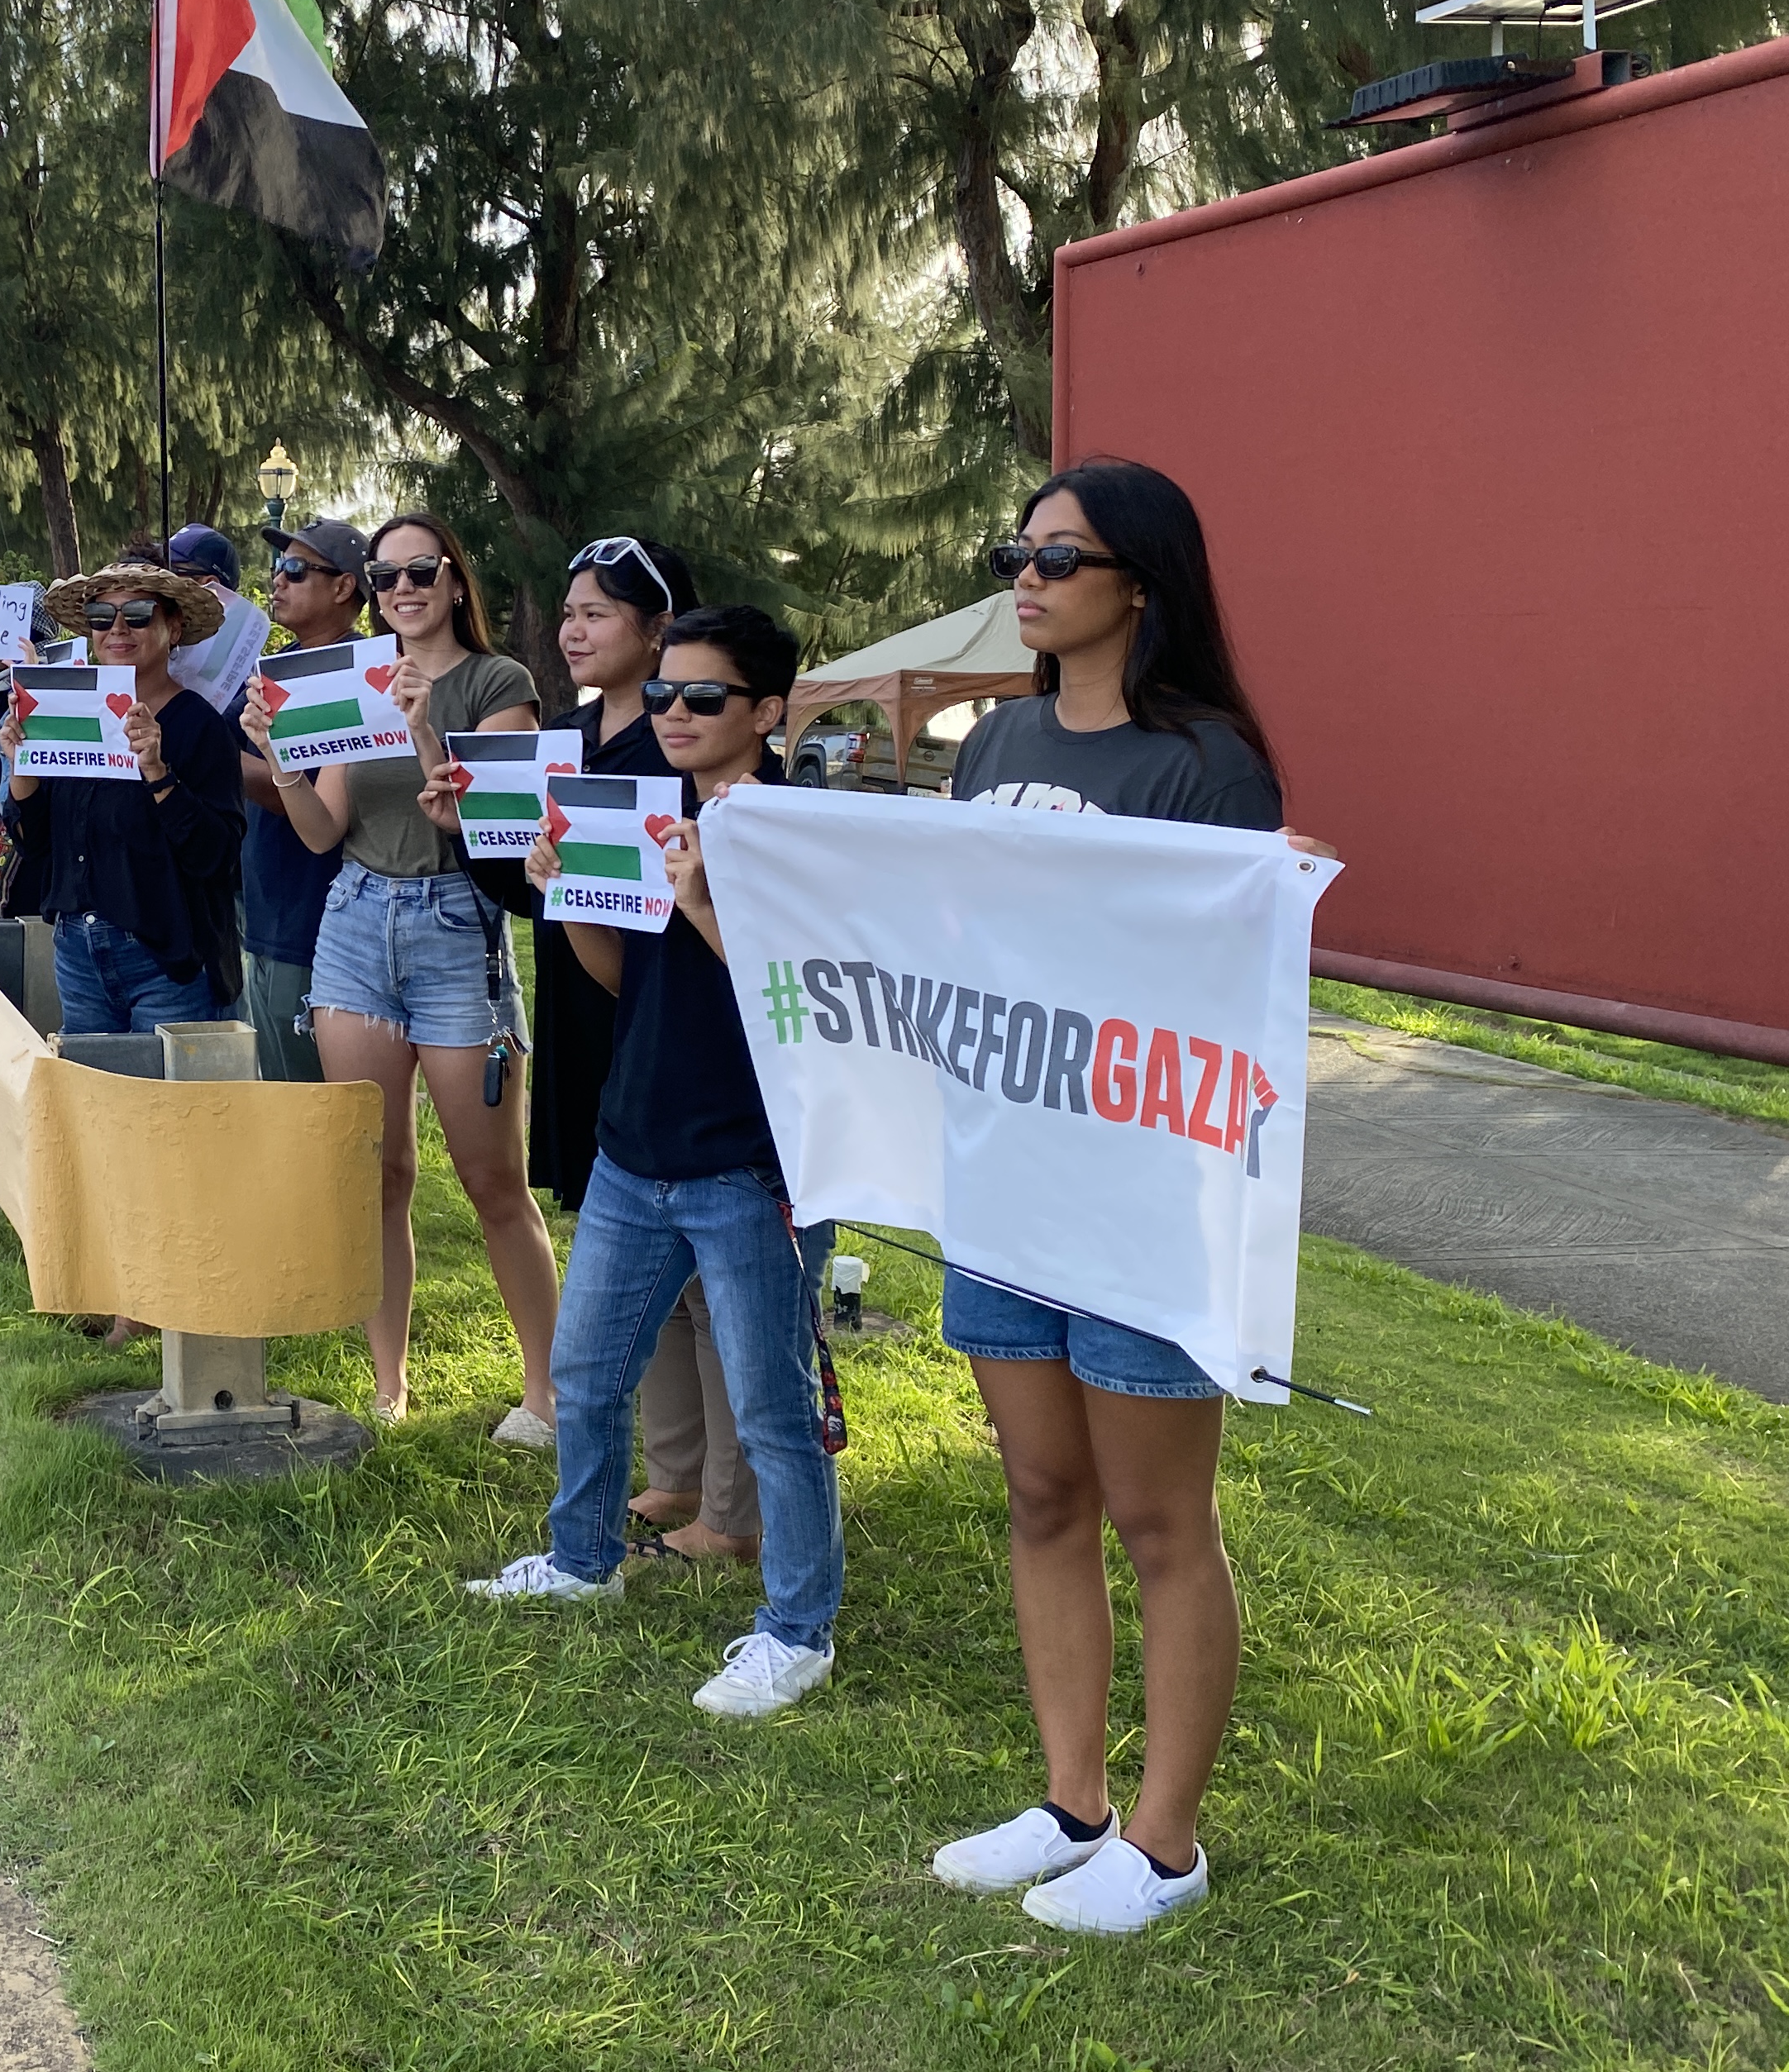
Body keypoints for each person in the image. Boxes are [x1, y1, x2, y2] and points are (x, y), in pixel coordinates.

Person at [926, 459, 1333, 1936]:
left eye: (1058, 556)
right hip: (1003, 1172)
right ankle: (1068, 1799)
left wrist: (1261, 901)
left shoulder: (1206, 758)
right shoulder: (992, 741)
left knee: (1162, 1520)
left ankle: (1164, 1840)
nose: (1024, 578)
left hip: (1140, 1189)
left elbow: (1215, 982)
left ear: (1139, 584)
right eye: (1015, 551)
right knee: (1041, 1493)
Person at [472, 604, 849, 1727]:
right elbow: (620, 978)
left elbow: (814, 1005)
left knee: (778, 1414)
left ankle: (798, 1632)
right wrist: (562, 893)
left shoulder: (805, 831)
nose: (673, 713)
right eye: (667, 694)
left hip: (751, 1167)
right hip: (636, 1148)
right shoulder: (645, 806)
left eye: (704, 698)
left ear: (769, 712)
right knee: (587, 1377)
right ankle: (582, 1559)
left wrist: (704, 902)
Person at [456, 537, 758, 1562]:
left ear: (659, 629)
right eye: (569, 613)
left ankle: (733, 1501)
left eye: (598, 614)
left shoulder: (682, 757)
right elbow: (529, 895)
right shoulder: (563, 740)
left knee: (711, 1278)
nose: (573, 631)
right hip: (589, 1025)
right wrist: (475, 831)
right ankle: (675, 1472)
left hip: (673, 1025)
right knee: (627, 1247)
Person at [238, 512, 555, 1434]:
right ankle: (390, 1389)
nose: (402, 589)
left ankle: (548, 1395)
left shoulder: (502, 683)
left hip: (457, 926)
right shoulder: (351, 681)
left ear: (456, 580)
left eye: (422, 571)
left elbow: (488, 828)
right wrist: (286, 757)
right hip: (354, 922)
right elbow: (322, 830)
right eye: (385, 578)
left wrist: (424, 733)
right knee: (378, 1173)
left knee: (494, 1180)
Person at [0, 561, 245, 1035]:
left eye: (137, 614)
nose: (117, 628)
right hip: (76, 953)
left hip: (168, 960)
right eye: (100, 615)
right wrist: (21, 766)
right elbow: (35, 845)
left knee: (172, 1110)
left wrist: (156, 770)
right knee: (97, 1105)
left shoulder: (200, 727)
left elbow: (217, 857)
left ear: (173, 628)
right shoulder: (64, 713)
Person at [232, 517, 368, 1083]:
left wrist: (199, 757)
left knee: (314, 1108)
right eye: (275, 567)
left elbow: (302, 796)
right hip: (266, 913)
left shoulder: (358, 674)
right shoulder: (278, 666)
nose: (276, 581)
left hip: (316, 924)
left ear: (343, 587)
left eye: (294, 569)